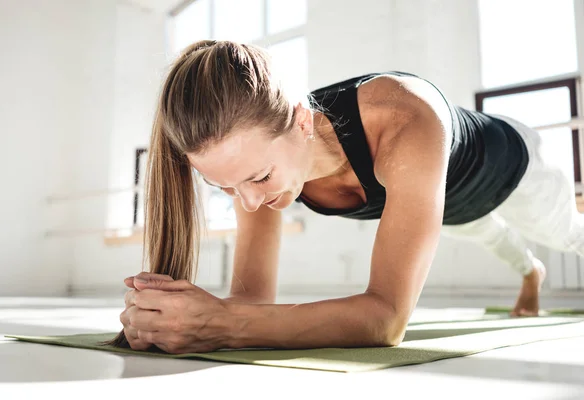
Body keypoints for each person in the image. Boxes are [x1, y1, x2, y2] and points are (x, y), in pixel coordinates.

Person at [112, 40, 584, 354]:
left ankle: (543, 259)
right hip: (453, 204)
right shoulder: (259, 163)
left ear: (300, 121)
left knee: (568, 238)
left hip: (515, 169)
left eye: (257, 178)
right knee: (493, 239)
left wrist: (219, 324)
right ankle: (531, 273)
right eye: (226, 188)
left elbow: (386, 320)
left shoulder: (404, 117)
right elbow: (251, 301)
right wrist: (179, 316)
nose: (248, 203)